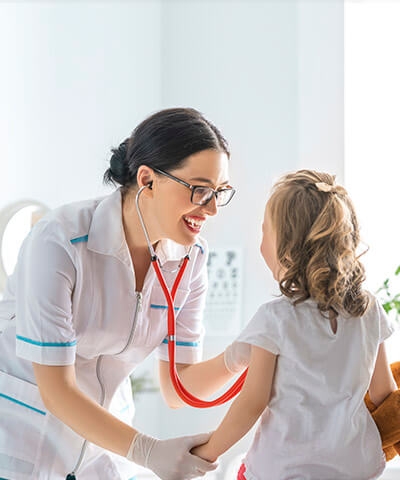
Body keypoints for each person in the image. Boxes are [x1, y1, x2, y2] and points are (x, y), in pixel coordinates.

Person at [0, 107, 247, 480]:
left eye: (219, 192)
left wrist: (240, 357)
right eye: (200, 189)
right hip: (23, 444)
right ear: (147, 179)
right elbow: (57, 391)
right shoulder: (60, 242)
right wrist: (149, 451)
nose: (211, 209)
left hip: (105, 450)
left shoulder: (190, 260)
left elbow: (177, 388)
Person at [192, 169, 398, 480]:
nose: (261, 241)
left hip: (282, 471)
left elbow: (251, 403)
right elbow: (385, 393)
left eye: (264, 231)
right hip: (356, 469)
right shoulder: (367, 309)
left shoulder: (275, 318)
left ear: (286, 248)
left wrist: (205, 454)